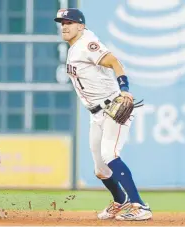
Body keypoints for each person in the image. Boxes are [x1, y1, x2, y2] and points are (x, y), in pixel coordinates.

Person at [54, 8, 152, 221]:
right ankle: (120, 201)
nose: (64, 26)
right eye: (62, 22)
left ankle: (140, 206)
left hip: (113, 110)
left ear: (80, 25)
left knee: (110, 155)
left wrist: (124, 89)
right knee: (100, 169)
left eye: (69, 22)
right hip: (96, 114)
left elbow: (114, 62)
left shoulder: (88, 43)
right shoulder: (74, 47)